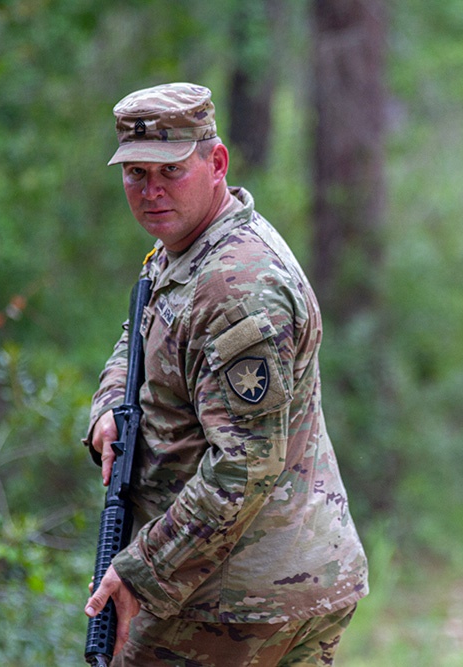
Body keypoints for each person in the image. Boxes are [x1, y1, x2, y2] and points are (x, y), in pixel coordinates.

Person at [82, 82, 368, 666]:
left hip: (235, 601)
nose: (151, 190)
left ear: (216, 163)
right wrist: (109, 406)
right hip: (255, 583)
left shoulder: (236, 284)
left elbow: (245, 464)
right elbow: (138, 334)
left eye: (170, 170)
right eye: (136, 173)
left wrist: (141, 570)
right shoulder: (186, 250)